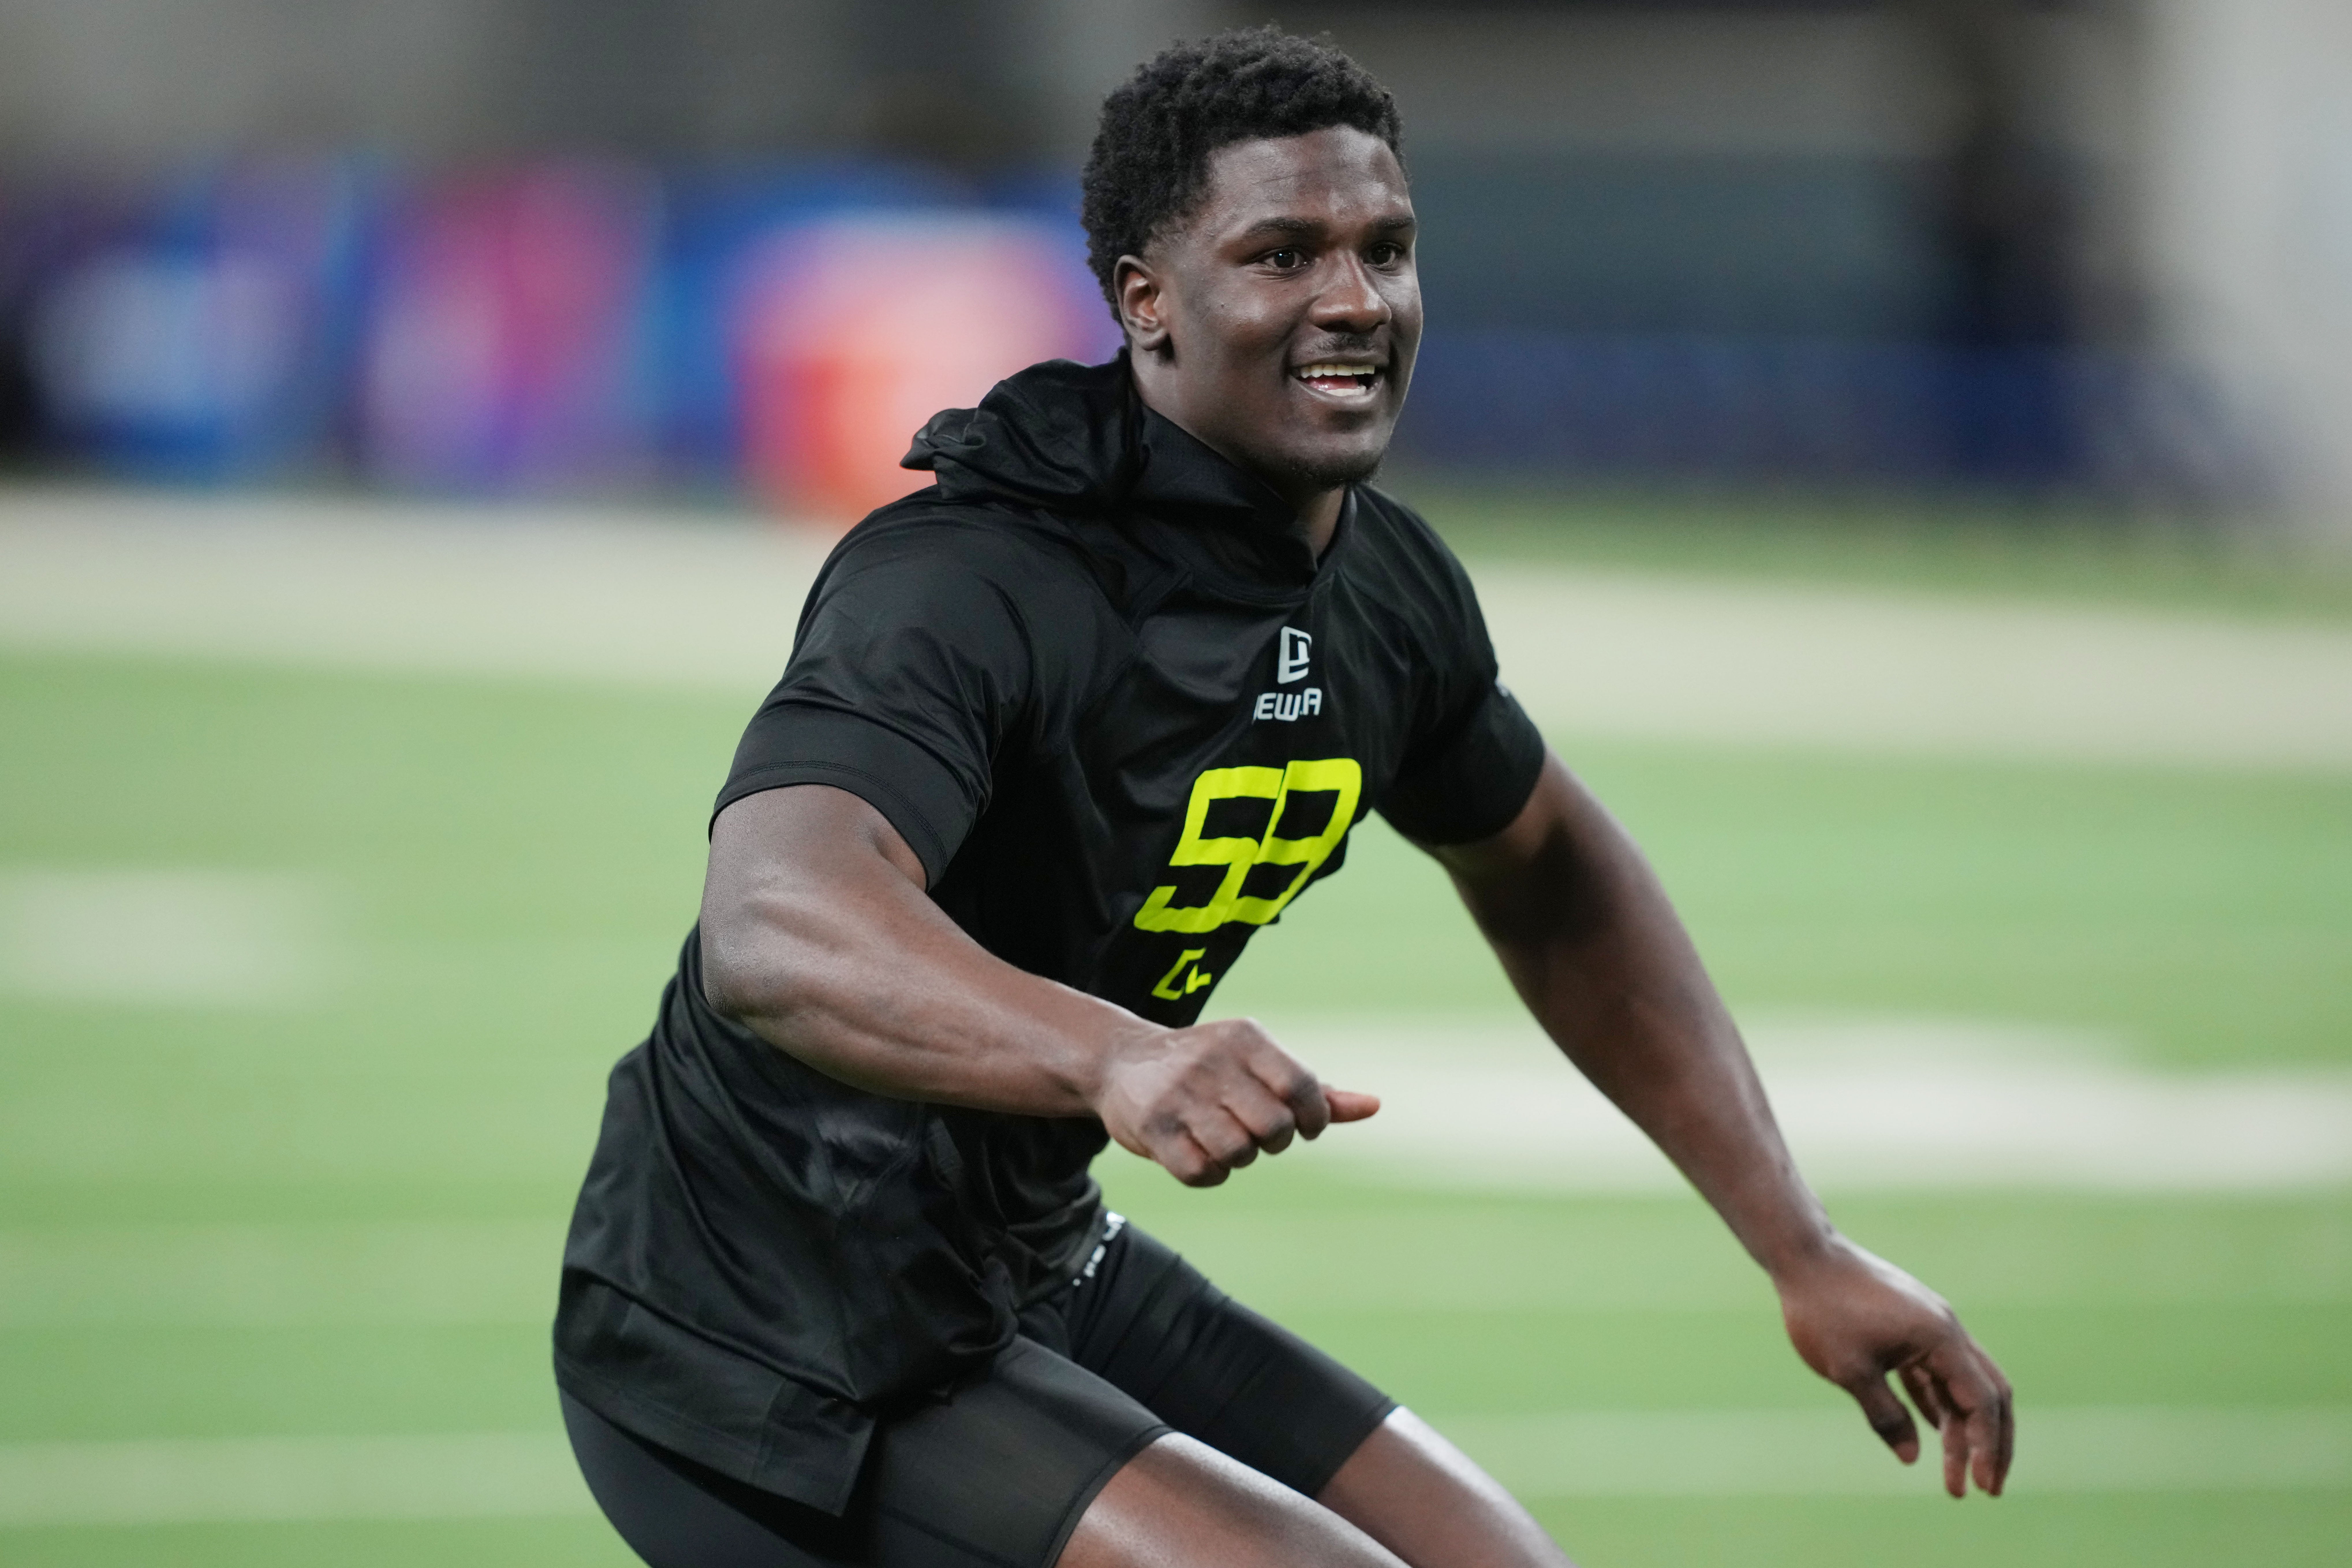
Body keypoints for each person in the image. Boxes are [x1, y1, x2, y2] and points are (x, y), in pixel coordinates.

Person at [555, 27, 2014, 1568]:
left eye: (1387, 250)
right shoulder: (972, 578)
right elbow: (775, 924)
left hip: (1025, 1257)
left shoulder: (1381, 585)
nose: (1355, 301)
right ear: (1145, 303)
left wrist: (1797, 1243)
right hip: (756, 1326)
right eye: (1282, 254)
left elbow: (1548, 866)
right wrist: (1114, 1056)